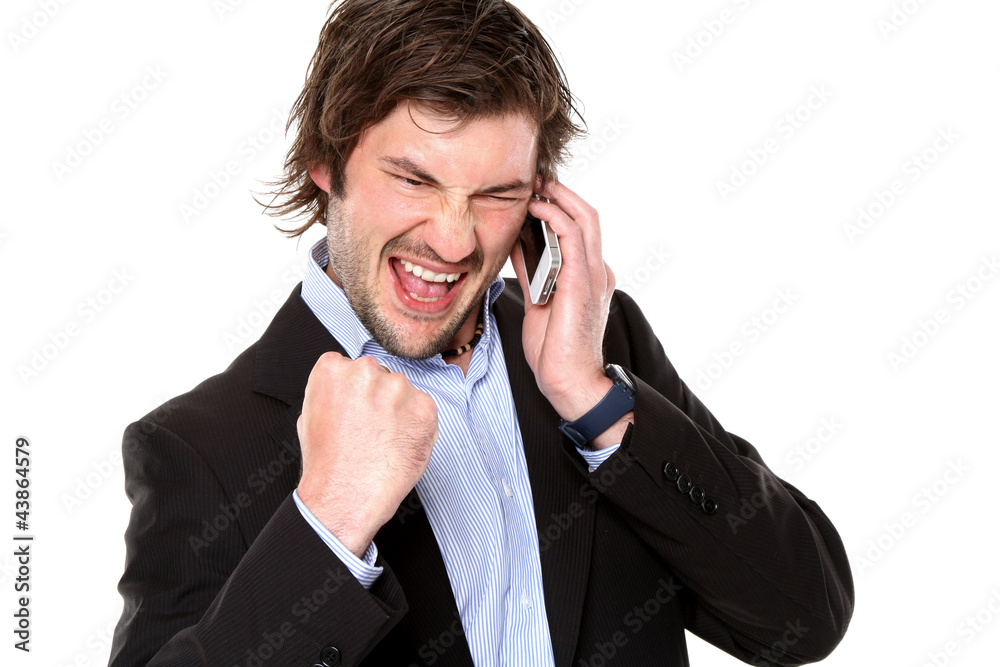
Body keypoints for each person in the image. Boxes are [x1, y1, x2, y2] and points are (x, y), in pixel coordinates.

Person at [109, 1, 853, 665]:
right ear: (325, 164)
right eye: (414, 180)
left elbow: (803, 620)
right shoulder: (202, 447)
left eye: (497, 193)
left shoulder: (601, 349)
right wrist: (327, 530)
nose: (454, 240)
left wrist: (591, 400)